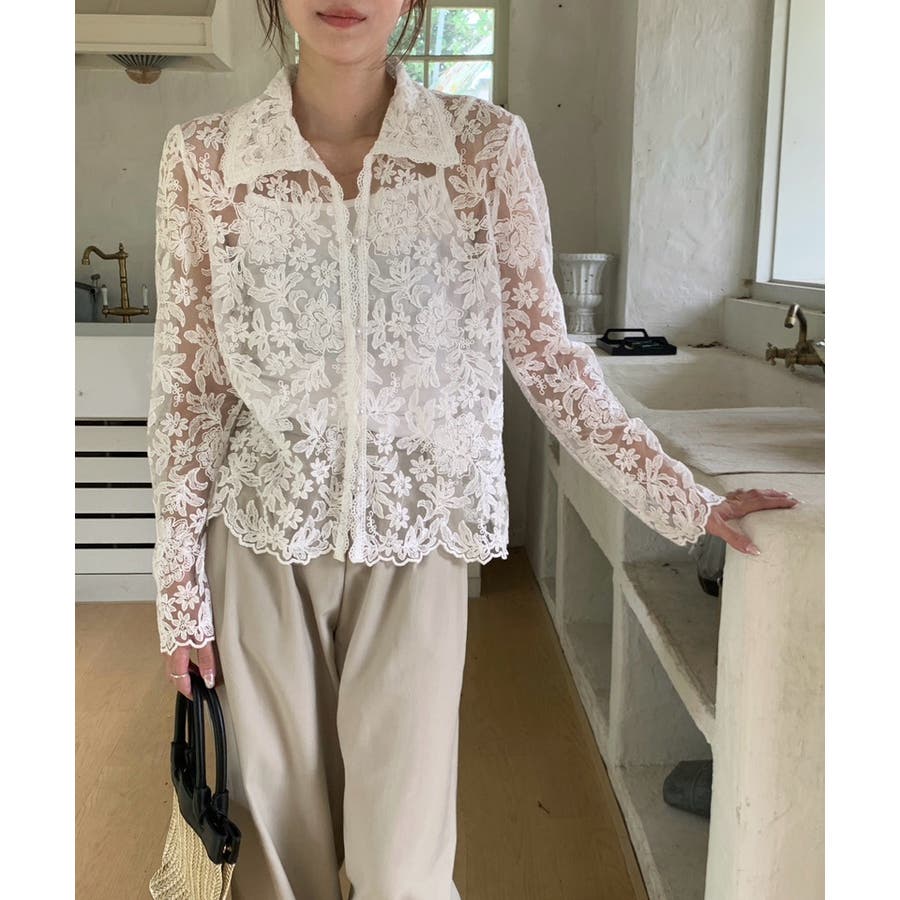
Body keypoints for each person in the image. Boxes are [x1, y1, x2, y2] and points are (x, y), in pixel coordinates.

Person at [146, 1, 799, 897]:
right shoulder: (206, 159)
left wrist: (685, 499)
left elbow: (546, 354)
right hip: (259, 547)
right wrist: (180, 596)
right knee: (274, 858)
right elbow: (190, 394)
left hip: (417, 545)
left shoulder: (481, 150)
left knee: (403, 867)